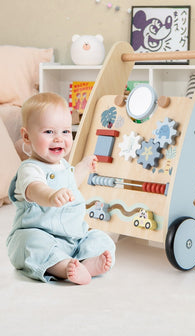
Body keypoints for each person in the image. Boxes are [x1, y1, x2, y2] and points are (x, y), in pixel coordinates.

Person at [7, 92, 116, 284]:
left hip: (73, 239)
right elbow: (35, 189)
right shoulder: (30, 169)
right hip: (41, 235)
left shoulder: (63, 167)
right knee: (31, 243)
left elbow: (70, 182)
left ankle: (86, 262)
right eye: (49, 132)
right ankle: (64, 268)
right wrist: (50, 196)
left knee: (101, 238)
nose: (58, 138)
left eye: (65, 132)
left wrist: (83, 166)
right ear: (26, 136)